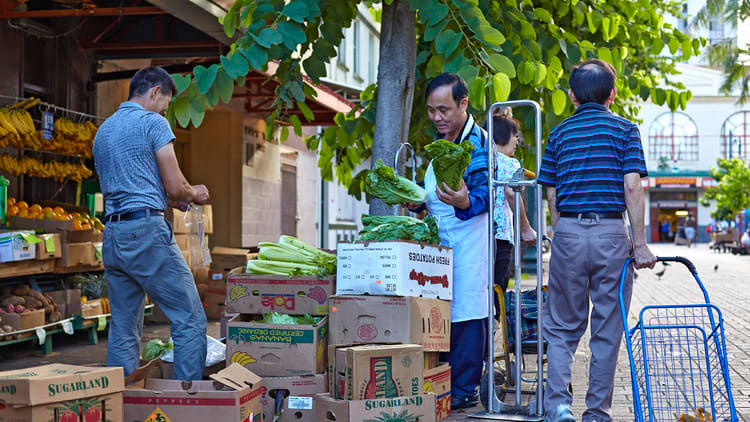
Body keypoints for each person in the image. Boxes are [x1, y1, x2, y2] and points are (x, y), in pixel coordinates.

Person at [537, 59, 657, 422]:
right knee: (606, 330)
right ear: (613, 93)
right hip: (610, 234)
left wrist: (562, 235)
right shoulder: (625, 130)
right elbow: (632, 186)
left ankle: (558, 406)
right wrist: (640, 244)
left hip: (569, 233)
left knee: (561, 326)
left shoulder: (558, 134)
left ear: (571, 95)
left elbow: (552, 196)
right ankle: (597, 414)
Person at [93, 66, 210, 381]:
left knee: (123, 325)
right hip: (146, 233)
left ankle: (120, 402)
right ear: (155, 91)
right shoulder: (153, 123)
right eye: (166, 103)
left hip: (113, 235)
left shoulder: (104, 130)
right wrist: (193, 192)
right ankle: (187, 402)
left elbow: (130, 183)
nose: (165, 110)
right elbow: (175, 186)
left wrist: (166, 198)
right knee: (190, 318)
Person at [406, 73, 491, 410]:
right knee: (442, 314)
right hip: (440, 245)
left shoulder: (478, 144)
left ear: (463, 104)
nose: (437, 118)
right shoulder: (444, 141)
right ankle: (443, 382)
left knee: (468, 312)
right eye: (431, 111)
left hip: (470, 243)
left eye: (443, 110)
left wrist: (465, 202)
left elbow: (486, 195)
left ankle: (464, 389)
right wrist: (420, 201)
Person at [490, 115, 536, 295]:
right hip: (501, 234)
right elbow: (511, 193)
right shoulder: (510, 164)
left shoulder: (478, 160)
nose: (516, 140)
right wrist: (525, 228)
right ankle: (496, 321)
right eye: (514, 135)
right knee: (498, 286)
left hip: (478, 233)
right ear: (502, 136)